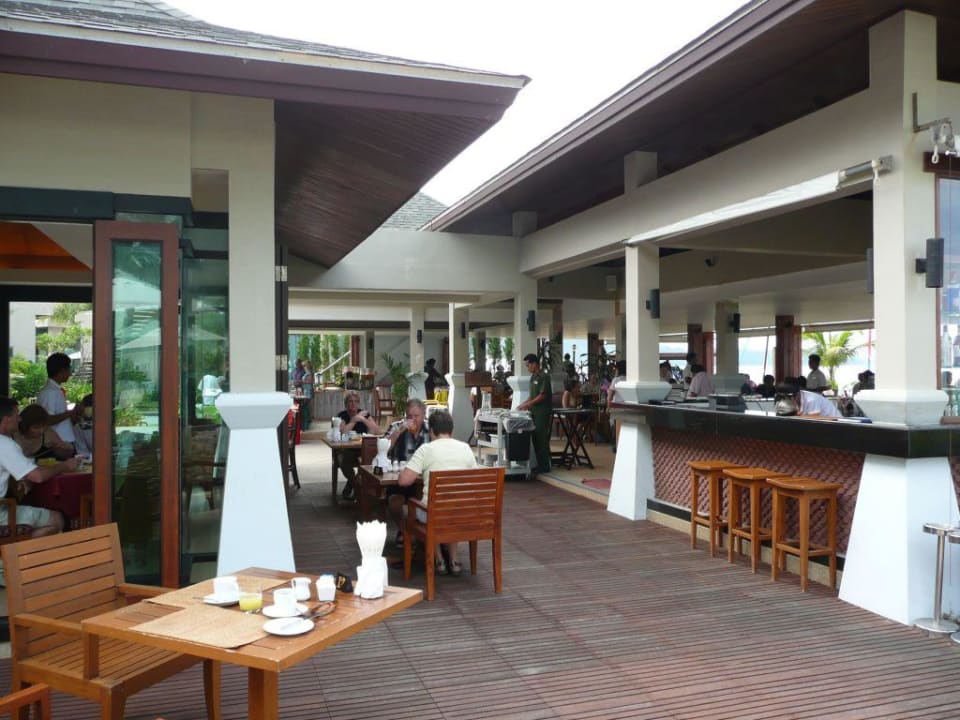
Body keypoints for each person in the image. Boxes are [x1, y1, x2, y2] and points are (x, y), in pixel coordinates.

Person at [397, 409, 477, 577]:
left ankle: (439, 558)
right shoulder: (465, 448)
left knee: (413, 507)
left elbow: (404, 481)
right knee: (453, 502)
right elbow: (474, 479)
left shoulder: (426, 449)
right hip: (462, 512)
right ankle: (454, 559)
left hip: (434, 515)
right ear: (452, 431)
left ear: (431, 431)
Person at [0, 396, 77, 537]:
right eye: (16, 415)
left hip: (6, 505)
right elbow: (38, 477)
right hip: (2, 514)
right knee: (57, 519)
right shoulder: (5, 444)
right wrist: (64, 467)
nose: (19, 419)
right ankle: (16, 550)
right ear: (6, 419)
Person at [385, 399, 430, 546]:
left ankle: (419, 532)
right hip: (400, 478)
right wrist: (400, 431)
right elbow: (384, 447)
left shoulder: (431, 429)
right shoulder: (396, 427)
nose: (412, 419)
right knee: (394, 502)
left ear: (423, 415)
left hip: (424, 480)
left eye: (416, 416)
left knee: (423, 500)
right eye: (409, 416)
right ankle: (404, 531)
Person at [336, 391, 384, 500]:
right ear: (346, 404)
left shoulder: (364, 414)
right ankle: (356, 485)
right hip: (347, 450)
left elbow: (378, 431)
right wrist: (353, 420)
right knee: (344, 461)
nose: (353, 404)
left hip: (362, 449)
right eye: (350, 401)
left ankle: (355, 485)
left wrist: (363, 419)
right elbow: (341, 433)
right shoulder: (342, 415)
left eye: (356, 401)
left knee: (370, 461)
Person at [517, 353, 552, 477]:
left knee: (541, 438)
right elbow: (532, 396)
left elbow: (543, 395)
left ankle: (545, 466)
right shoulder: (533, 377)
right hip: (533, 412)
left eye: (528, 365)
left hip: (542, 412)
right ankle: (540, 464)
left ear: (535, 364)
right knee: (536, 438)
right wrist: (523, 404)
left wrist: (529, 404)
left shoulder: (544, 376)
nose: (528, 368)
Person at [36, 352, 79, 449]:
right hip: (58, 444)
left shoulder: (55, 390)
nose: (70, 374)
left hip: (63, 441)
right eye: (69, 369)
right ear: (62, 370)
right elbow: (47, 420)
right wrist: (71, 412)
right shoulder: (50, 392)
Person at [300, 360, 314, 430]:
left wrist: (302, 381)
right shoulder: (307, 373)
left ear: (307, 366)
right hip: (306, 391)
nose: (303, 367)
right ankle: (306, 424)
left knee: (305, 408)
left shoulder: (309, 373)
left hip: (308, 392)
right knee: (306, 407)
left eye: (304, 366)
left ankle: (306, 425)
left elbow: (310, 381)